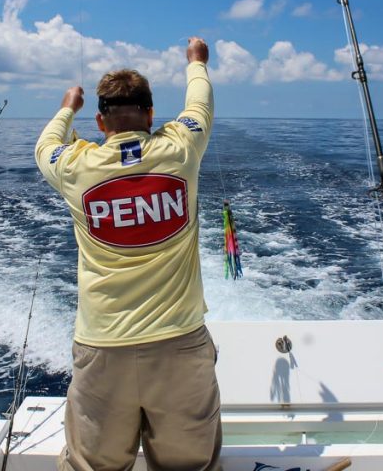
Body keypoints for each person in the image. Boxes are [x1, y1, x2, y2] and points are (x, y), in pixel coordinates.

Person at [34, 37, 221, 471]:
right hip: (180, 345)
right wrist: (196, 62)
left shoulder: (74, 167)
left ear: (100, 122)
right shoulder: (181, 147)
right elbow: (199, 104)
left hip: (102, 351)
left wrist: (67, 107)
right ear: (151, 114)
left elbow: (45, 146)